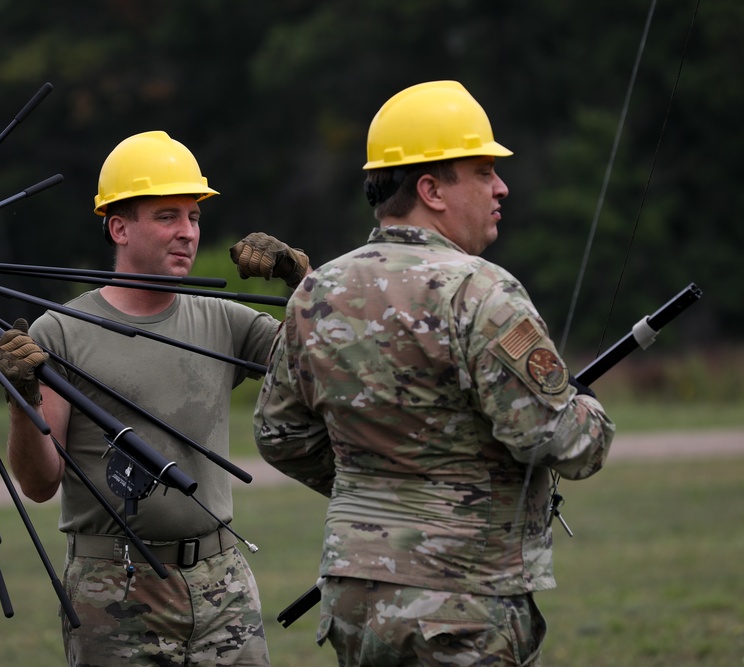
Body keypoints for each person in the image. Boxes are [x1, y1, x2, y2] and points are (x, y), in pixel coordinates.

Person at [253, 81, 616, 666]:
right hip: (463, 599)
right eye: (481, 171)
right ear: (430, 189)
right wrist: (587, 411)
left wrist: (376, 491)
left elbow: (280, 436)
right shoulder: (481, 290)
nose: (502, 187)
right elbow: (560, 440)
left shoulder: (316, 291)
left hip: (355, 599)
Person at [0, 130, 309, 666]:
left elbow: (327, 359)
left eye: (194, 216)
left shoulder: (222, 320)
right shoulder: (61, 332)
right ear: (119, 226)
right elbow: (39, 483)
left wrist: (302, 280)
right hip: (113, 586)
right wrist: (22, 402)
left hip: (222, 581)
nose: (186, 232)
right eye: (167, 216)